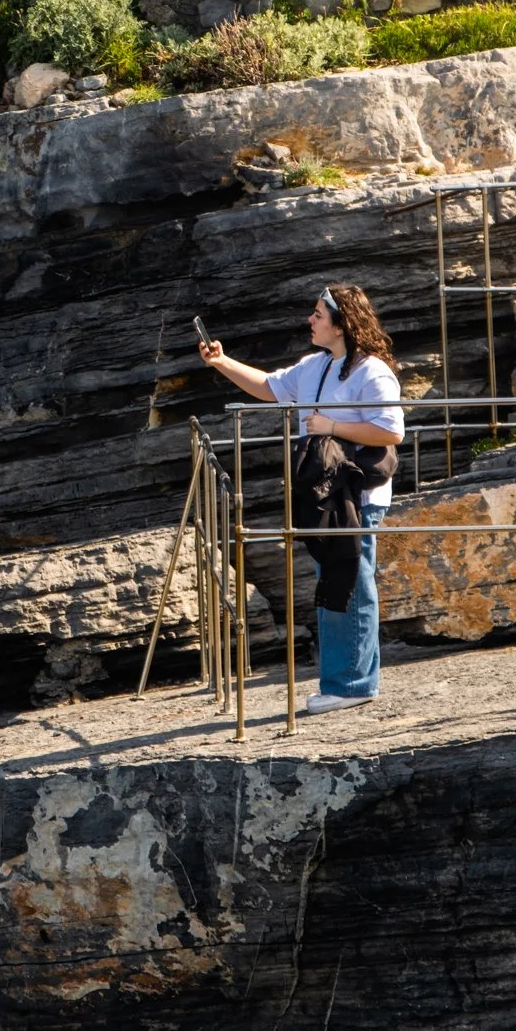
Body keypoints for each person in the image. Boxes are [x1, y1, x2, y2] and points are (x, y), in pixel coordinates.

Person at [197, 284, 403, 714]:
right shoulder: (316, 365)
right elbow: (271, 387)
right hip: (324, 492)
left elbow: (390, 431)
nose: (310, 321)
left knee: (352, 581)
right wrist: (221, 362)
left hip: (358, 494)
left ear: (341, 323)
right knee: (336, 580)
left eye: (317, 315)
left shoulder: (373, 371)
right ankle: (347, 680)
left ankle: (352, 684)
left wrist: (330, 426)